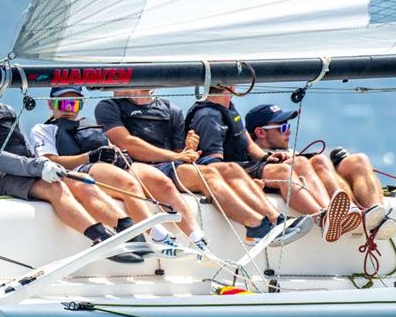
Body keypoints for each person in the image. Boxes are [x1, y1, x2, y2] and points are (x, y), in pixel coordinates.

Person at [0, 50, 150, 263]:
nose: (2, 83)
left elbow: (23, 147)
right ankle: (102, 239)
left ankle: (132, 232)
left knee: (81, 182)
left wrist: (45, 164)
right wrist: (38, 168)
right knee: (55, 187)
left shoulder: (5, 110)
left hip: (24, 170)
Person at [95, 89, 311, 246]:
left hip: (171, 165)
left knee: (229, 170)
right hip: (137, 167)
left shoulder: (171, 109)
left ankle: (274, 218)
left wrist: (188, 149)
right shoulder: (109, 107)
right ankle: (255, 226)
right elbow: (126, 142)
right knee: (205, 175)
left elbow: (181, 151)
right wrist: (177, 155)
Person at [28, 85, 211, 254]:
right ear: (51, 104)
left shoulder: (88, 124)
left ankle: (198, 240)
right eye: (64, 102)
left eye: (76, 103)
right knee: (128, 184)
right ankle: (159, 237)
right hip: (81, 170)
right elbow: (49, 162)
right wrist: (90, 157)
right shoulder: (43, 129)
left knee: (162, 183)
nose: (69, 108)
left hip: (111, 164)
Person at [184, 87, 361, 243]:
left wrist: (269, 157)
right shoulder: (209, 116)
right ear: (228, 84)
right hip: (230, 170)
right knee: (283, 171)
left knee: (298, 161)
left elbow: (251, 147)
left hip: (244, 165)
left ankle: (330, 214)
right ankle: (321, 218)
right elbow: (215, 164)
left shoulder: (228, 107)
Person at [245, 103, 396, 239]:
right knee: (315, 160)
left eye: (289, 126)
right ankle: (344, 214)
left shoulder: (290, 151)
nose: (288, 132)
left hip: (313, 177)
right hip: (288, 179)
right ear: (260, 133)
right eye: (283, 128)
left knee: (358, 160)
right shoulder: (254, 157)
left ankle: (377, 216)